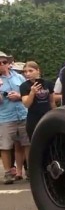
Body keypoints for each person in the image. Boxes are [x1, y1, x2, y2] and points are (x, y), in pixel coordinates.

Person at [0, 51, 29, 184]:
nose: (1, 65)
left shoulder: (19, 77)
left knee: (27, 143)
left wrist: (18, 96)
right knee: (5, 146)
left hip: (23, 114)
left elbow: (27, 94)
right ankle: (7, 173)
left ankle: (30, 171)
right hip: (6, 117)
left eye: (4, 62)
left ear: (8, 63)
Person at [19, 61, 55, 139]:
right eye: (25, 71)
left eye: (30, 71)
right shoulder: (24, 86)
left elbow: (52, 101)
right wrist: (32, 92)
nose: (27, 74)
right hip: (33, 118)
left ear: (38, 70)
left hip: (47, 116)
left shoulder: (47, 83)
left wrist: (55, 114)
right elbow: (26, 104)